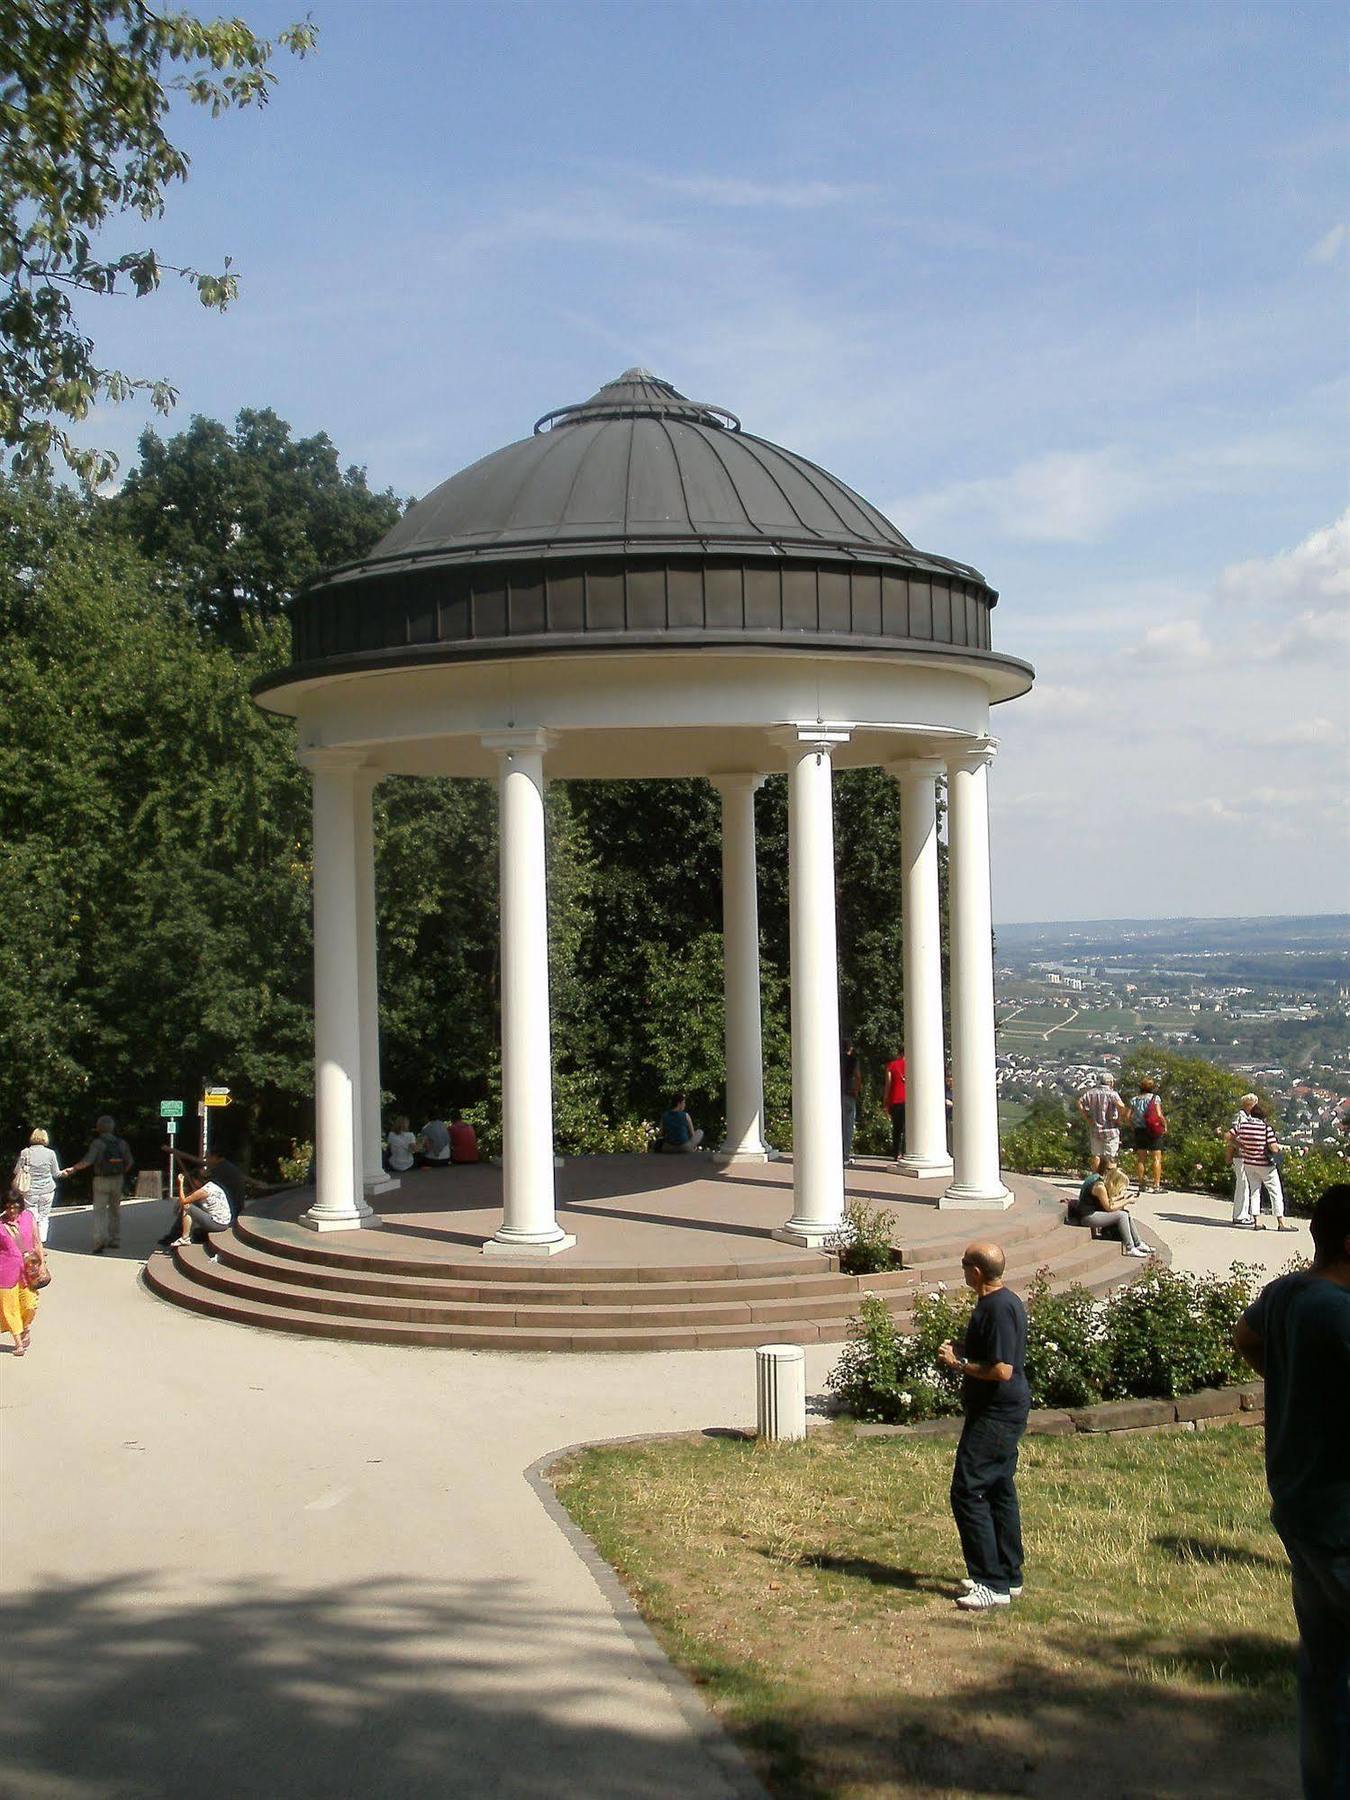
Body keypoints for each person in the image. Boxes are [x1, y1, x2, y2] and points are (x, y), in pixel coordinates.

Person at [1234, 1184, 1350, 1800]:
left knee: (1326, 1671)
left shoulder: (1285, 1294)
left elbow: (1244, 1338)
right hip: (1341, 1518)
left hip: (1299, 1508)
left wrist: (1294, 1383)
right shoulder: (1339, 1312)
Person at [937, 1243, 1031, 1612]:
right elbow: (993, 1352)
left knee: (968, 1491)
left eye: (963, 1265)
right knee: (998, 1489)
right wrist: (962, 1348)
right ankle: (1009, 1574)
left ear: (976, 1271)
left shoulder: (999, 1307)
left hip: (997, 1414)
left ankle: (990, 1583)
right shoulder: (997, 1303)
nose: (962, 1271)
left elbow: (1002, 1370)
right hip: (996, 1411)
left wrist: (959, 1364)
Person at [58, 1115, 136, 1254]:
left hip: (101, 1179)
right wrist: (121, 1172)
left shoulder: (98, 1143)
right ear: (112, 1127)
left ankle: (99, 1241)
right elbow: (130, 1162)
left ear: (99, 1128)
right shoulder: (121, 1143)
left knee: (99, 1211)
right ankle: (115, 1239)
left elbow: (88, 1161)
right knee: (115, 1211)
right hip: (117, 1180)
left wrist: (74, 1168)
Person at [158, 1146, 250, 1246]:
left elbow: (196, 1194)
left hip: (231, 1211)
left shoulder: (219, 1171)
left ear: (215, 1157)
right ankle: (182, 1234)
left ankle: (178, 1236)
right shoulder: (224, 1167)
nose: (206, 1160)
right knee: (194, 1205)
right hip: (231, 1209)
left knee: (189, 1206)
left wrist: (182, 1189)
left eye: (208, 1157)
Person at [1229, 1102, 1295, 1233]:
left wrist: (1242, 1146)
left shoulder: (1242, 1126)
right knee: (1275, 1192)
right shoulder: (1266, 1128)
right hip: (1265, 1165)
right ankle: (1281, 1222)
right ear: (1263, 1116)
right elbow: (1273, 1147)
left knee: (1254, 1191)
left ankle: (1257, 1221)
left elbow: (1229, 1136)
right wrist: (1279, 1150)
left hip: (1249, 1163)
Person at [1067, 1162, 1152, 1257]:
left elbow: (1108, 1201)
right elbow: (1109, 1207)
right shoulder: (1100, 1187)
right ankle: (1130, 1248)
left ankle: (1138, 1243)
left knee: (1126, 1213)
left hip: (1093, 1213)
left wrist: (1122, 1198)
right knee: (1122, 1215)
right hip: (1088, 1217)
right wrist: (1127, 1201)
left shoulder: (1099, 1180)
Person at [0, 1189, 47, 1357]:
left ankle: (25, 1326)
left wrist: (41, 1265)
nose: (12, 1210)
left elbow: (37, 1242)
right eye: (8, 1207)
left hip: (28, 1270)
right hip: (6, 1271)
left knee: (29, 1304)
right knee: (10, 1307)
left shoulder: (28, 1217)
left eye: (15, 1206)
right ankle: (18, 1341)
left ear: (20, 1205)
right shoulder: (0, 1224)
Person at [165, 1169, 233, 1254]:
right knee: (194, 1209)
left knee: (188, 1207)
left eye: (193, 1181)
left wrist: (181, 1183)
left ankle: (185, 1238)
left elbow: (184, 1201)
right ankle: (187, 1235)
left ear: (197, 1181)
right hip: (224, 1223)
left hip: (217, 1224)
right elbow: (193, 1194)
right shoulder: (212, 1186)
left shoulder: (204, 1191)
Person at [13, 1128, 61, 1245]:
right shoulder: (50, 1153)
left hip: (29, 1190)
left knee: (31, 1216)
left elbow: (16, 1171)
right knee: (44, 1217)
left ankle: (32, 1242)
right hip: (47, 1190)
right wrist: (66, 1172)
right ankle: (41, 1243)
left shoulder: (25, 1152)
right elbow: (56, 1173)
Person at [1076, 1074, 1126, 1173]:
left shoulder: (1091, 1093)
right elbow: (1121, 1106)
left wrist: (1087, 1117)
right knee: (1111, 1156)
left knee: (1096, 1155)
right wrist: (1119, 1119)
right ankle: (1109, 1179)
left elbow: (1079, 1102)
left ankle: (1096, 1178)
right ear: (1111, 1082)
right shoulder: (1113, 1094)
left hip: (1095, 1128)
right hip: (1111, 1129)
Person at [1127, 1079, 1167, 1194]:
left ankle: (1141, 1184)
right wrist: (1164, 1125)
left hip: (1140, 1130)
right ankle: (1156, 1185)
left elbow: (1129, 1116)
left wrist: (1132, 1126)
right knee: (1156, 1158)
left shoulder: (1134, 1099)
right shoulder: (1155, 1098)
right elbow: (1159, 1115)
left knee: (1141, 1158)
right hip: (1153, 1130)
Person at [1228, 1093, 1260, 1226]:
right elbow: (1234, 1135)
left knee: (1245, 1184)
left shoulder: (1248, 1117)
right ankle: (1239, 1215)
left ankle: (1244, 1213)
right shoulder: (1240, 1117)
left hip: (1245, 1154)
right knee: (1243, 1184)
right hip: (1240, 1154)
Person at [841, 1041, 861, 1166]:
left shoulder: (834, 1058)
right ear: (850, 1048)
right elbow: (857, 1076)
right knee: (848, 1126)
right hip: (848, 1093)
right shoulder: (853, 1060)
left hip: (834, 1094)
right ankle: (845, 1155)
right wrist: (856, 1090)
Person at [884, 1052, 907, 1160]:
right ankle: (909, 1152)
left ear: (899, 1053)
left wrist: (885, 1100)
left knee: (897, 1129)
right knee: (909, 1128)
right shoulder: (912, 1065)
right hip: (910, 1101)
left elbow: (888, 1084)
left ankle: (897, 1153)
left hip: (896, 1100)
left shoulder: (891, 1065)